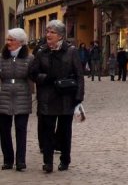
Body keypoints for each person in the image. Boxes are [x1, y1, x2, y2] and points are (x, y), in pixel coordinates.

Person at [29, 20, 84, 173]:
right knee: (47, 131)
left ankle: (65, 160)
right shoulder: (41, 52)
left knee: (65, 131)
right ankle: (48, 162)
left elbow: (79, 74)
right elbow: (32, 73)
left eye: (52, 32)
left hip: (66, 96)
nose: (48, 35)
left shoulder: (71, 51)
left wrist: (79, 96)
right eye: (47, 32)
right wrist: (44, 78)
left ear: (60, 36)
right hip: (47, 96)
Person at [0, 28, 33, 171]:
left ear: (20, 42)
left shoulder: (29, 58)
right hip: (5, 95)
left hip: (22, 96)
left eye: (11, 40)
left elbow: (32, 78)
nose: (8, 42)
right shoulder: (2, 57)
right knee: (4, 129)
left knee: (21, 129)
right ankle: (8, 159)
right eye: (8, 39)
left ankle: (20, 161)